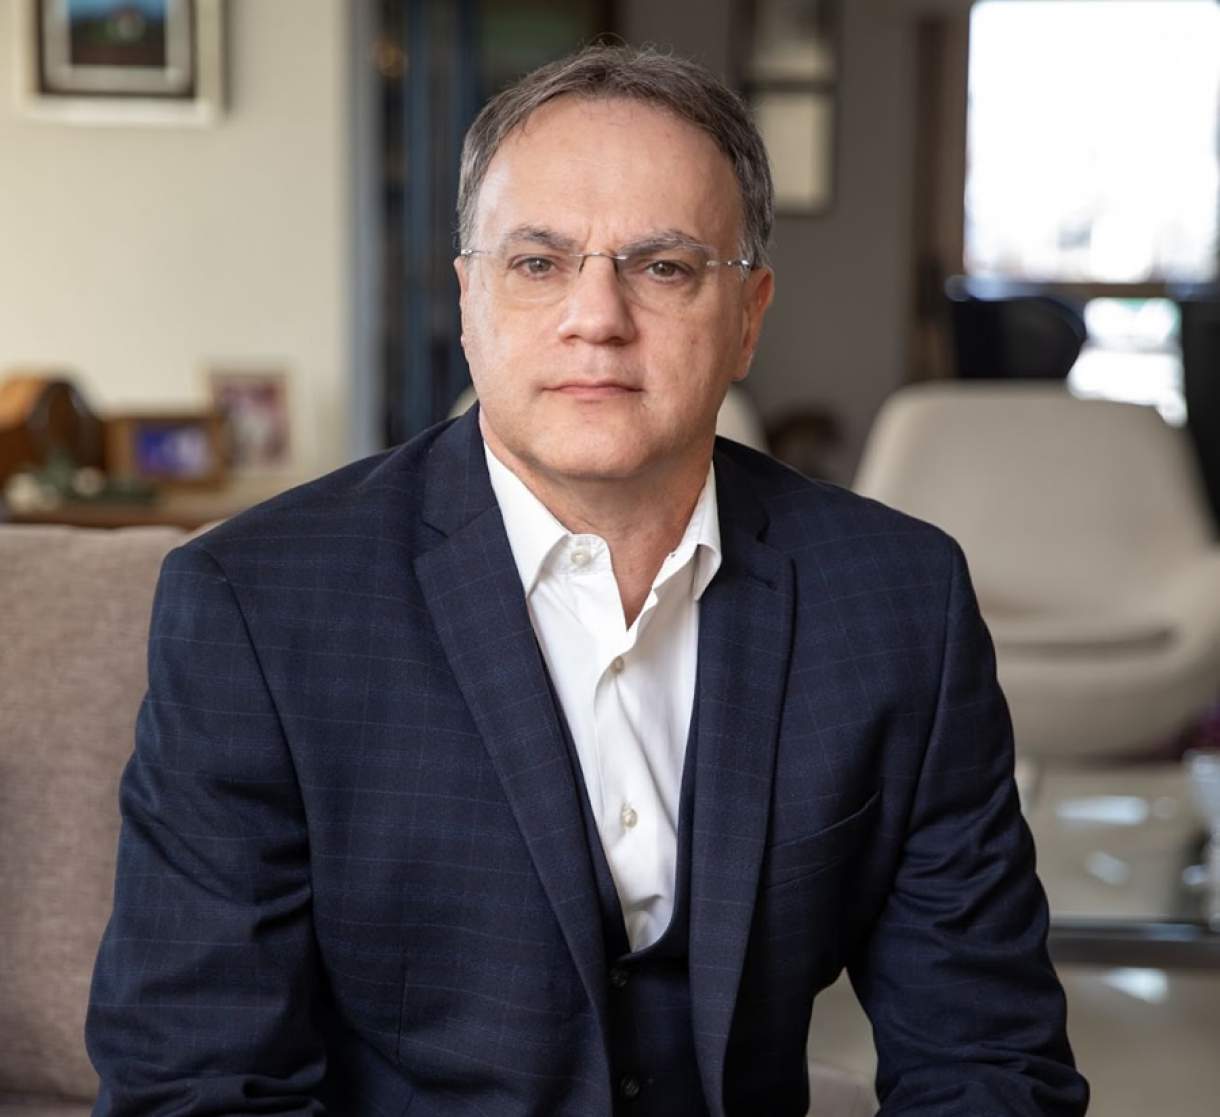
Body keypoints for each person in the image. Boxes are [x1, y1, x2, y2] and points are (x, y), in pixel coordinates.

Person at [86, 44, 1089, 1117]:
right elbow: (196, 1085)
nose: (596, 318)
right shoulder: (257, 606)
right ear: (469, 302)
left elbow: (987, 1058)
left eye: (664, 267)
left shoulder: (899, 601)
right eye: (537, 263)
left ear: (748, 317)